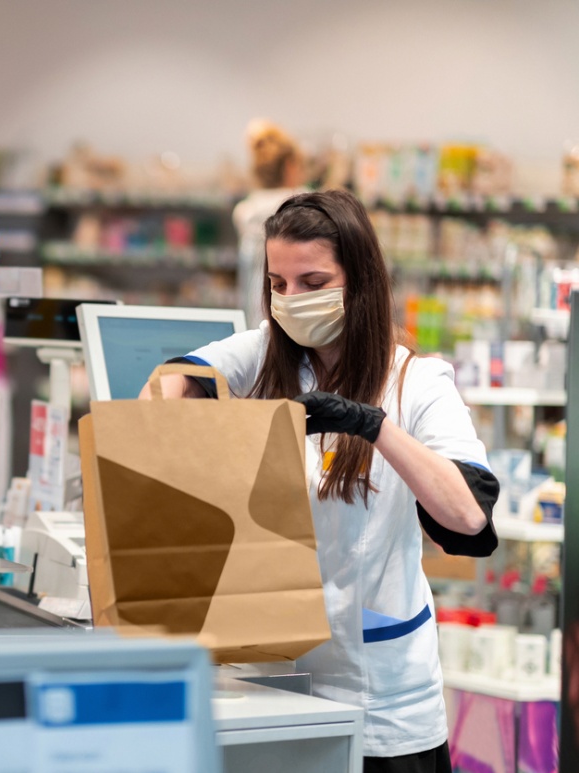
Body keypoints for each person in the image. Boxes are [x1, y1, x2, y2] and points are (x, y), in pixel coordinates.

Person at [144, 188, 499, 773]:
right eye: (278, 285)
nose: (291, 300)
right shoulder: (265, 354)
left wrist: (374, 426)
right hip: (271, 684)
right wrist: (178, 424)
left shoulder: (419, 381)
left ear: (358, 280)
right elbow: (167, 383)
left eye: (312, 283)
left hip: (381, 697)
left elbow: (468, 519)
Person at [233, 119, 307, 329]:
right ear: (290, 167)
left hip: (252, 320)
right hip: (290, 321)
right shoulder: (302, 204)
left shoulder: (244, 211)